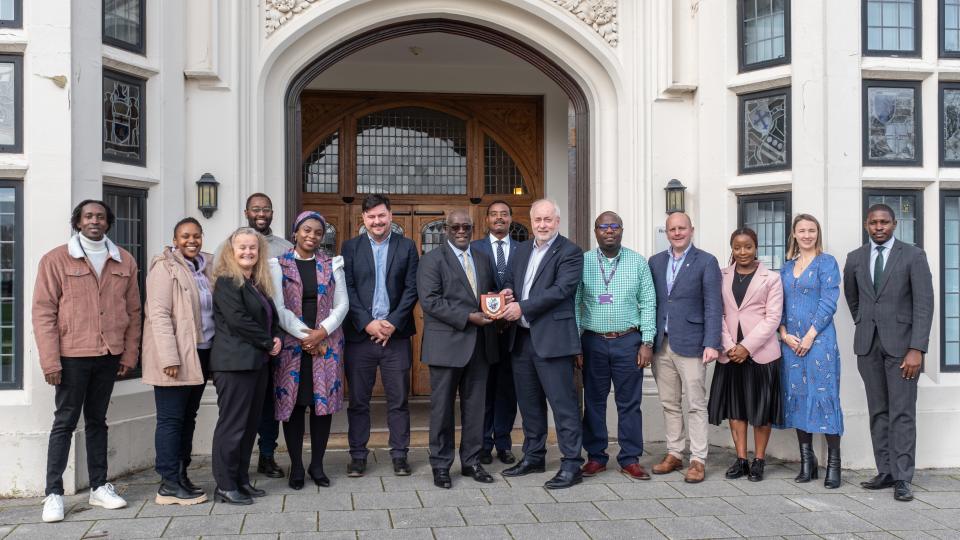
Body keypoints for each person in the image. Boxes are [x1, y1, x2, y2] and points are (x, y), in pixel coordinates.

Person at [33, 200, 142, 522]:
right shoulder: (55, 260)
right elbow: (43, 312)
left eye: (100, 217)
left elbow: (134, 312)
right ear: (78, 222)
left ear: (108, 222)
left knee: (97, 421)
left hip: (109, 354)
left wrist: (130, 353)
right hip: (71, 356)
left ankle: (99, 487)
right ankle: (53, 493)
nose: (94, 221)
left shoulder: (124, 260)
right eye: (88, 216)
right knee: (64, 422)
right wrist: (50, 362)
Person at [843, 203, 934, 502]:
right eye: (873, 223)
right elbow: (853, 299)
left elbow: (924, 304)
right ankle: (886, 471)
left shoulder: (913, 256)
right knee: (878, 411)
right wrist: (864, 322)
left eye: (884, 222)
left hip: (903, 349)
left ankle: (903, 478)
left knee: (902, 413)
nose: (878, 227)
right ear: (866, 225)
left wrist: (917, 349)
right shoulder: (855, 258)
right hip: (868, 346)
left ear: (895, 224)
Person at [497, 199, 585, 490]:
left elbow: (561, 291)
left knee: (563, 406)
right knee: (530, 405)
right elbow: (512, 280)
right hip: (521, 341)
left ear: (557, 222)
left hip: (553, 341)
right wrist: (508, 292)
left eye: (548, 220)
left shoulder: (570, 252)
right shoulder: (522, 249)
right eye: (538, 220)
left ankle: (572, 464)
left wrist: (522, 307)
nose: (543, 225)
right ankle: (533, 456)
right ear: (531, 221)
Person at [418, 209, 499, 489]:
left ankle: (471, 462)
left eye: (466, 226)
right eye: (455, 227)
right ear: (445, 229)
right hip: (446, 344)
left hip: (479, 346)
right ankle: (441, 465)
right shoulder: (431, 260)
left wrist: (502, 299)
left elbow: (489, 295)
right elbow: (430, 301)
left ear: (473, 228)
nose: (461, 231)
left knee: (475, 408)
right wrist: (467, 317)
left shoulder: (483, 258)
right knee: (442, 410)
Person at [268, 212, 348, 490]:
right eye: (306, 230)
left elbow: (342, 305)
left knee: (321, 407)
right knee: (295, 406)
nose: (312, 236)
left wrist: (321, 333)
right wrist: (306, 337)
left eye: (317, 232)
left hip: (326, 345)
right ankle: (297, 467)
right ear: (295, 232)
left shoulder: (332, 264)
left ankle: (317, 465)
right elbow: (279, 308)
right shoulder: (277, 265)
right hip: (293, 347)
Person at [342, 194, 419, 477]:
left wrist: (392, 323)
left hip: (395, 339)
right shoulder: (350, 248)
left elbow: (412, 288)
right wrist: (367, 323)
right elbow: (347, 288)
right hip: (360, 338)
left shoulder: (407, 247)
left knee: (398, 400)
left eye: (381, 215)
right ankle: (358, 456)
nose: (377, 221)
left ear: (390, 216)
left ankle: (400, 455)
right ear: (363, 219)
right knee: (358, 401)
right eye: (371, 216)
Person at [575, 211, 656, 480]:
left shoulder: (637, 263)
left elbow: (648, 303)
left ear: (622, 230)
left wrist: (647, 342)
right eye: (603, 226)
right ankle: (596, 456)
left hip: (628, 342)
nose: (609, 231)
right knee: (594, 402)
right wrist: (576, 344)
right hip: (593, 342)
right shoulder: (583, 262)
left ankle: (630, 458)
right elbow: (575, 304)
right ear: (595, 231)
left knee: (629, 402)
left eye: (614, 226)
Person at [141, 217, 213, 506]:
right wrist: (169, 357)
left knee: (188, 417)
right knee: (171, 420)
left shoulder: (205, 267)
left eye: (196, 236)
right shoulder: (164, 267)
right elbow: (157, 315)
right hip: (176, 357)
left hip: (202, 353)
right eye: (185, 236)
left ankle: (181, 475)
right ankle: (168, 483)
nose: (191, 241)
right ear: (175, 239)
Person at [210, 228, 282, 505]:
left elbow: (268, 317)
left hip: (256, 363)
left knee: (249, 426)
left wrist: (274, 336)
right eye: (242, 247)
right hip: (234, 365)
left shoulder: (256, 282)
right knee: (233, 426)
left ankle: (240, 480)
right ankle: (225, 485)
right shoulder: (228, 282)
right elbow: (239, 320)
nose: (248, 252)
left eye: (253, 247)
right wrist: (268, 341)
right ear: (231, 250)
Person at [648, 212, 722, 483]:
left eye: (682, 228)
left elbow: (714, 305)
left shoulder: (706, 261)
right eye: (672, 229)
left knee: (695, 404)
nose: (677, 233)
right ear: (666, 232)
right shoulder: (655, 262)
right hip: (662, 344)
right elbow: (651, 301)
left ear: (691, 230)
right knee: (669, 403)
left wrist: (712, 342)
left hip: (692, 343)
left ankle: (698, 459)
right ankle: (675, 452)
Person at [708, 228, 784, 483]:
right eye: (738, 247)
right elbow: (716, 313)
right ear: (732, 248)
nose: (742, 252)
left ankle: (759, 460)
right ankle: (741, 460)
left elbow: (773, 318)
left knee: (761, 410)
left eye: (748, 247)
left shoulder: (771, 278)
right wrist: (730, 345)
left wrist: (746, 347)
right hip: (730, 354)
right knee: (736, 409)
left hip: (760, 353)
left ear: (756, 247)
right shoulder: (721, 275)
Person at [778, 214, 844, 488]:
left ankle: (834, 465)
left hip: (819, 343)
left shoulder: (826, 263)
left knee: (824, 397)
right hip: (790, 344)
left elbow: (829, 302)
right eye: (801, 230)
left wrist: (809, 336)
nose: (807, 235)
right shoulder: (785, 268)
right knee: (797, 397)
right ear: (794, 234)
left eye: (812, 230)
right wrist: (783, 335)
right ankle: (808, 463)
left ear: (818, 233)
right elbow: (777, 303)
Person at [244, 193, 294, 480]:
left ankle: (267, 455)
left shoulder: (285, 248)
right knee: (244, 403)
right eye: (255, 209)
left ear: (272, 213)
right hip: (244, 340)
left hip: (279, 337)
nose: (261, 213)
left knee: (270, 402)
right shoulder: (230, 245)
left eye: (266, 209)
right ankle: (240, 458)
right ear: (246, 212)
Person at [470, 200, 519, 465]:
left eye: (504, 214)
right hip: (484, 332)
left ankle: (504, 443)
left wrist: (514, 296)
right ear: (486, 219)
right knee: (484, 391)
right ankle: (483, 444)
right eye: (494, 215)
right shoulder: (474, 248)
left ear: (511, 219)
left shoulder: (523, 250)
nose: (499, 218)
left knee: (507, 392)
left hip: (513, 333)